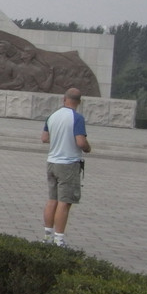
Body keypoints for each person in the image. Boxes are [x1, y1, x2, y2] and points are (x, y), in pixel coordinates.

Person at [41, 87, 91, 247]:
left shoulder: (52, 116)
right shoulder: (77, 118)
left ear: (64, 99)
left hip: (52, 162)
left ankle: (47, 236)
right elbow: (81, 142)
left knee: (52, 199)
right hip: (68, 164)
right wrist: (88, 148)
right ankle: (59, 239)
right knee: (65, 201)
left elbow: (44, 138)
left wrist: (58, 139)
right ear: (79, 102)